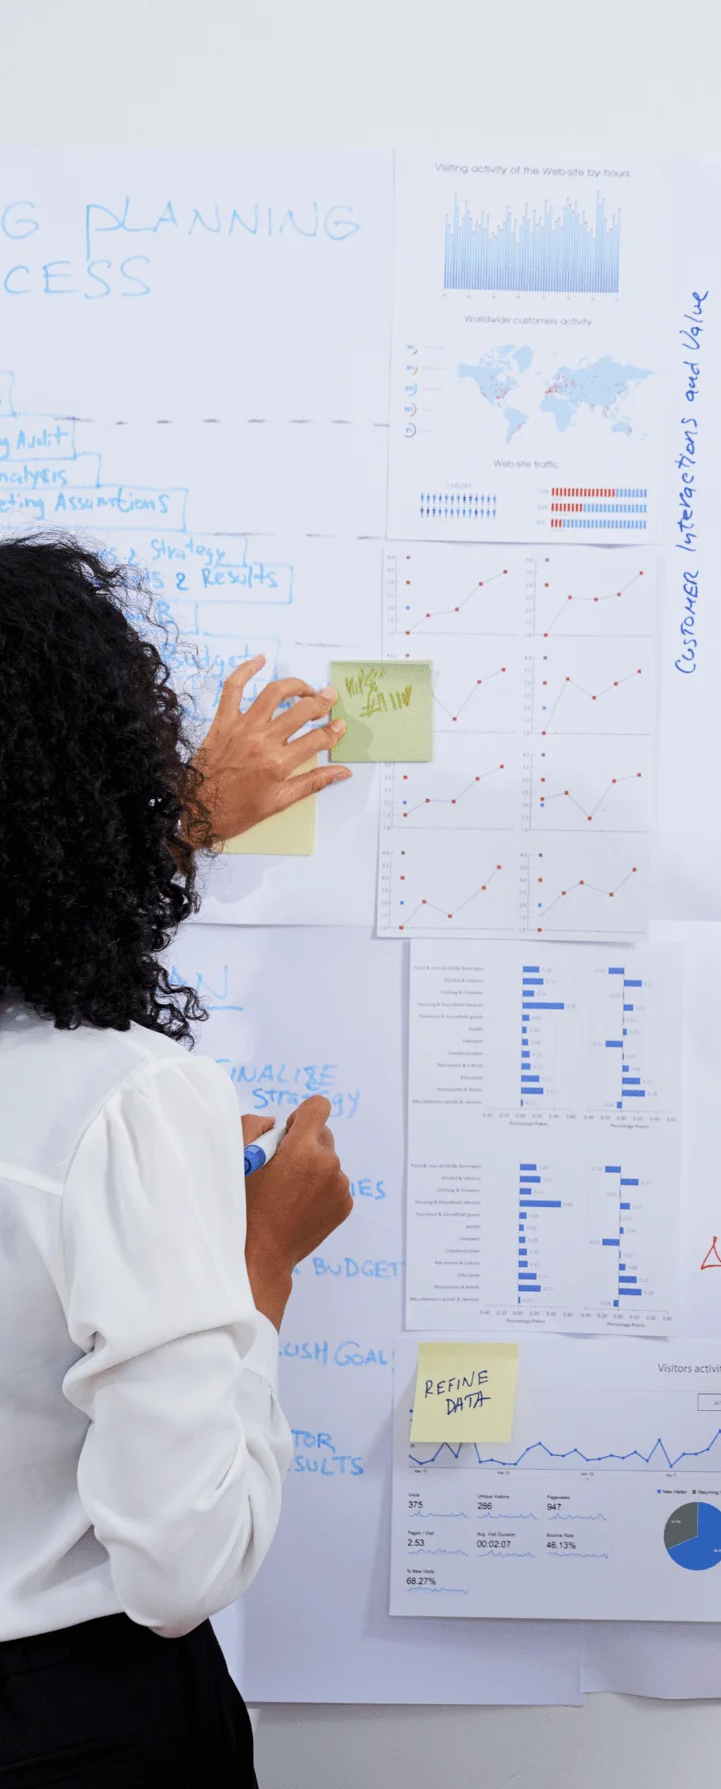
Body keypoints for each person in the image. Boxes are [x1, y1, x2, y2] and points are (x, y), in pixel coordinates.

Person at [0, 536, 356, 1784]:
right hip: (76, 1725)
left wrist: (172, 829)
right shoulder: (127, 1103)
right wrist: (259, 1261)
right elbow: (181, 1567)